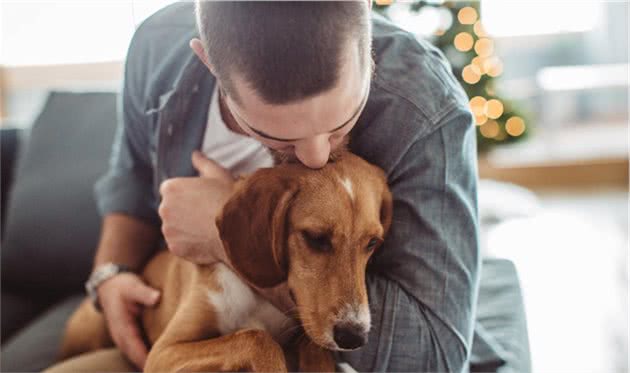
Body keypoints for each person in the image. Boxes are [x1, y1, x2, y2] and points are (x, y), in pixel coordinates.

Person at [47, 1, 480, 371]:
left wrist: (223, 239)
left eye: (341, 120)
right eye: (281, 137)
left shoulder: (427, 109)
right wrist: (110, 274)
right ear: (211, 64)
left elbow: (436, 356)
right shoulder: (157, 44)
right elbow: (132, 174)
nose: (315, 157)